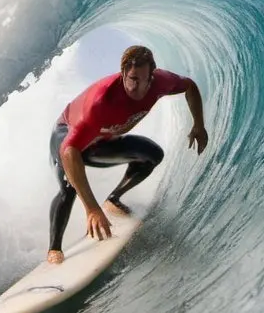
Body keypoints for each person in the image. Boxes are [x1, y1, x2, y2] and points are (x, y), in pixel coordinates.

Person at [47, 45, 208, 264]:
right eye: (131, 78)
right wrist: (92, 209)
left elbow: (190, 86)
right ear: (123, 73)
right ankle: (54, 249)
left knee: (152, 155)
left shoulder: (161, 82)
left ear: (152, 76)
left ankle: (113, 200)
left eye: (142, 79)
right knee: (69, 187)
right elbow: (69, 151)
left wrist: (198, 125)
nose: (136, 86)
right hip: (66, 137)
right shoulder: (100, 102)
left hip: (100, 144)